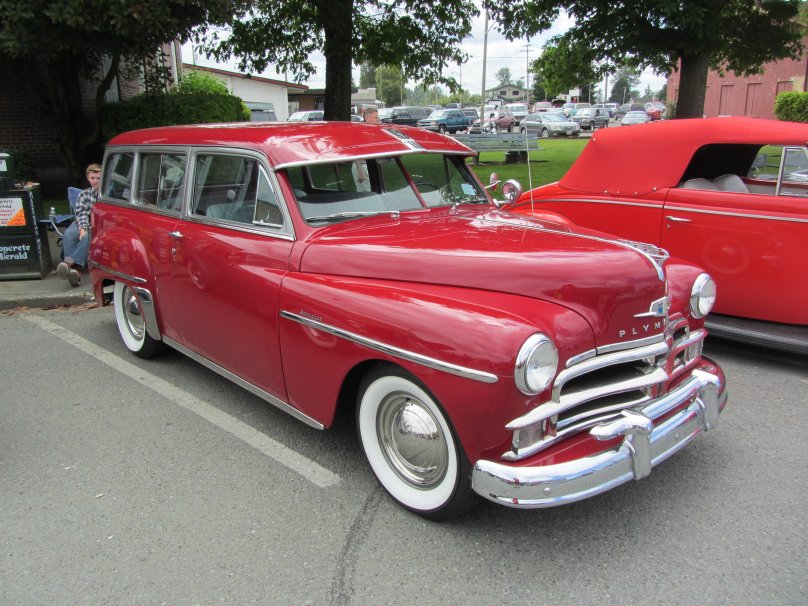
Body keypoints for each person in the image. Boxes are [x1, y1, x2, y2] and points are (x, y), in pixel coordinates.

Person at [57, 163, 101, 287]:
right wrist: (82, 228)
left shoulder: (108, 195)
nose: (96, 181)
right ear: (88, 178)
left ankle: (70, 266)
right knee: (69, 233)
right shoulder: (84, 195)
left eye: (98, 178)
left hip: (99, 224)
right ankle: (74, 272)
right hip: (84, 221)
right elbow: (81, 214)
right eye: (93, 178)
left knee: (87, 236)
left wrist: (85, 230)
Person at [353, 108, 380, 191]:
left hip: (371, 165)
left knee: (369, 191)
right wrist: (360, 171)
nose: (377, 120)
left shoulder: (373, 131)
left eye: (378, 117)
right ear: (367, 118)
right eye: (375, 117)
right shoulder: (361, 132)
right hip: (361, 165)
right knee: (370, 191)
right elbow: (356, 152)